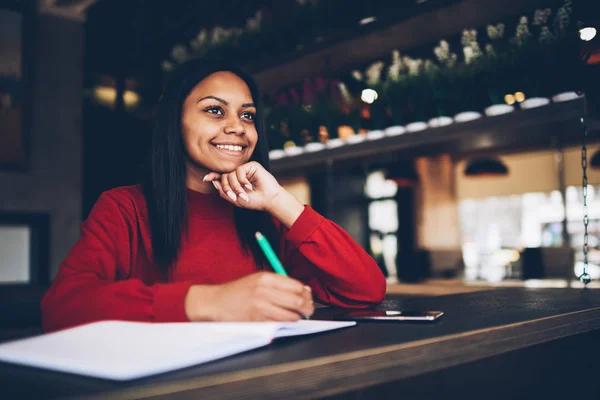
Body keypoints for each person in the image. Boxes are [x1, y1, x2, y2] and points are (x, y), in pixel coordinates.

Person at [41, 59, 386, 332]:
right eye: (214, 110)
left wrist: (281, 201)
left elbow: (366, 289)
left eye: (247, 115)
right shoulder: (124, 209)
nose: (237, 126)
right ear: (174, 120)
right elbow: (63, 307)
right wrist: (212, 302)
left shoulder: (266, 216)